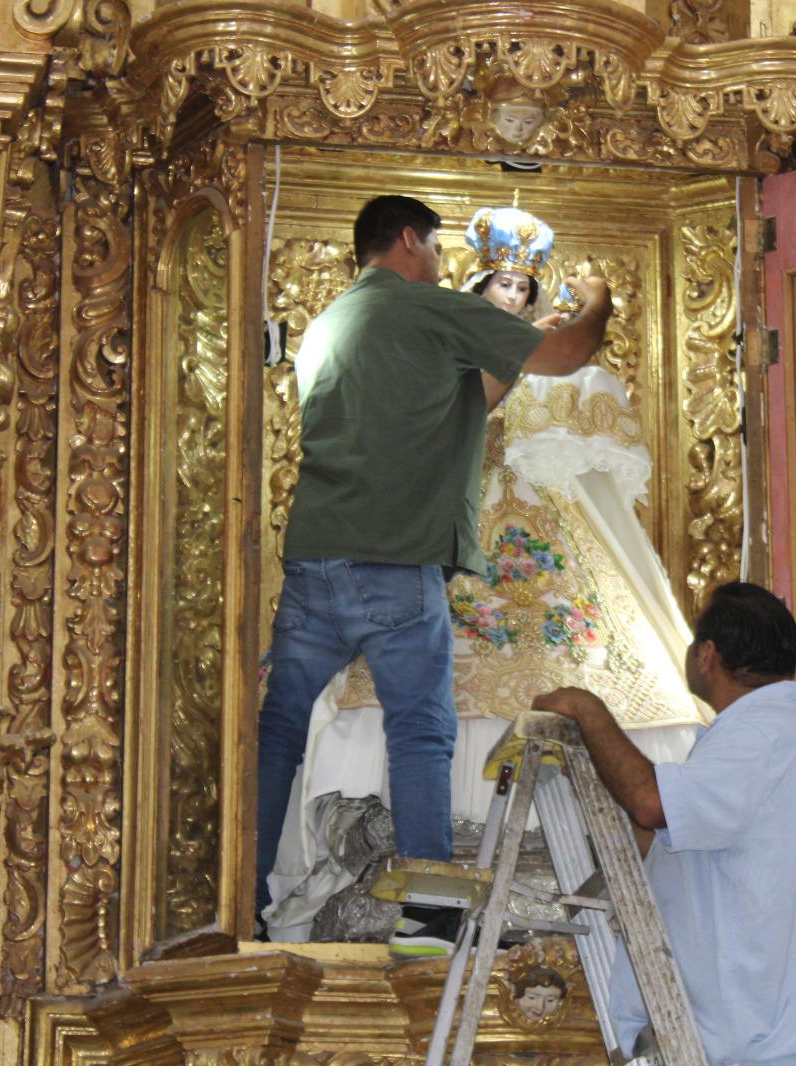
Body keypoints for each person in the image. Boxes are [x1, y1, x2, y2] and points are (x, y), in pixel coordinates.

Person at [259, 205, 704, 946]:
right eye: (435, 249)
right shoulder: (427, 309)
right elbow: (561, 356)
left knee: (281, 728)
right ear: (410, 242)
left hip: (315, 557)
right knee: (424, 730)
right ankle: (429, 908)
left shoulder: (325, 327)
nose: (436, 263)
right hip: (396, 559)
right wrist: (598, 302)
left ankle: (246, 894)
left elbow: (468, 404)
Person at [531, 582, 796, 1066]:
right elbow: (672, 841)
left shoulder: (761, 736)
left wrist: (587, 709)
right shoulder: (771, 734)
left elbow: (651, 805)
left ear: (708, 655)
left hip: (754, 1045)